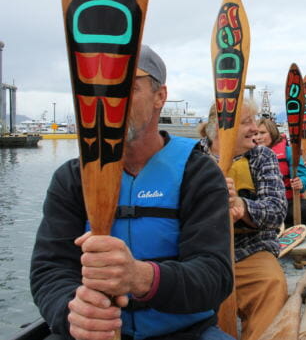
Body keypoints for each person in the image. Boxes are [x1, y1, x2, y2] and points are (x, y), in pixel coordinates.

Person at [30, 46, 234, 340]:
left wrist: (140, 277)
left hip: (185, 332)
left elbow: (215, 276)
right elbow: (50, 269)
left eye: (126, 87)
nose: (110, 100)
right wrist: (71, 311)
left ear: (159, 96)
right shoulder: (72, 178)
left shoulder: (198, 173)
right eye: (100, 88)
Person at [199, 102, 288, 340]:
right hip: (201, 253)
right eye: (246, 121)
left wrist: (242, 207)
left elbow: (277, 210)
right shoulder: (192, 158)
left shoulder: (262, 156)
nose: (255, 128)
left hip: (250, 250)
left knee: (271, 284)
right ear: (220, 127)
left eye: (255, 120)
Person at [255, 118, 306, 237]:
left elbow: (303, 175)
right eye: (255, 133)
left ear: (272, 133)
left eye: (262, 133)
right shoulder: (249, 154)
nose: (258, 137)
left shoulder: (289, 152)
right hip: (261, 204)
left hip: (288, 202)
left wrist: (301, 183)